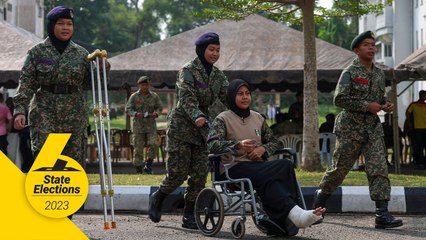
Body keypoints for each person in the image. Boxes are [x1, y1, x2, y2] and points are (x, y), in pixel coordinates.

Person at [313, 31, 403, 229]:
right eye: (366, 45)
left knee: (379, 168)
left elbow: (379, 99)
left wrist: (386, 105)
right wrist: (365, 105)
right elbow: (339, 98)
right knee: (338, 170)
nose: (371, 48)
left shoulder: (379, 74)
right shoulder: (350, 72)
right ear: (356, 50)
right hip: (350, 129)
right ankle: (317, 208)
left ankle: (382, 214)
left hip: (372, 129)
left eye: (373, 44)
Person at [207, 79, 325, 230]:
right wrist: (237, 144)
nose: (245, 97)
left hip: (257, 168)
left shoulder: (258, 118)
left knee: (282, 168)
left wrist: (263, 149)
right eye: (240, 94)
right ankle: (298, 215)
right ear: (231, 97)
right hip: (233, 168)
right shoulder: (222, 119)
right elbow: (212, 145)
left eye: (247, 93)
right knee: (280, 168)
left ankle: (291, 217)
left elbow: (274, 142)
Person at [148, 32, 229, 229]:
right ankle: (158, 197)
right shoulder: (188, 70)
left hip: (203, 133)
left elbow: (229, 95)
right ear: (202, 50)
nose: (215, 53)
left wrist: (243, 109)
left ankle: (189, 216)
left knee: (199, 176)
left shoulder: (218, 75)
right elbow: (186, 97)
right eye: (211, 49)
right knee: (178, 174)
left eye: (218, 50)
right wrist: (197, 116)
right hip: (182, 129)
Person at [13, 6, 108, 169]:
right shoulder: (37, 52)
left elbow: (90, 84)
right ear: (51, 26)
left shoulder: (82, 54)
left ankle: (71, 195)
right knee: (46, 163)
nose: (65, 28)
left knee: (73, 164)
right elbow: (26, 83)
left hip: (74, 114)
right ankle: (47, 195)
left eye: (69, 24)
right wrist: (20, 111)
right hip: (44, 113)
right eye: (61, 24)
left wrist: (102, 68)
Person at [126, 76, 162, 174]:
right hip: (138, 126)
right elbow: (128, 109)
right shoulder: (134, 96)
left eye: (146, 85)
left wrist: (156, 114)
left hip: (151, 126)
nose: (145, 87)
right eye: (143, 85)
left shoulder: (154, 96)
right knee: (138, 149)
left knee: (154, 144)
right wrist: (135, 114)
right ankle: (138, 170)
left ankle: (148, 165)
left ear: (149, 85)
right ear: (139, 85)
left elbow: (159, 107)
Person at [405, 90, 426, 168]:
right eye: (424, 95)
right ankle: (420, 163)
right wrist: (409, 123)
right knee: (419, 146)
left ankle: (424, 161)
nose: (425, 97)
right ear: (420, 95)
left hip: (425, 128)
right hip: (417, 128)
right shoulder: (414, 104)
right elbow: (407, 112)